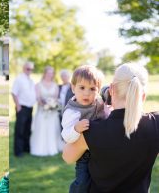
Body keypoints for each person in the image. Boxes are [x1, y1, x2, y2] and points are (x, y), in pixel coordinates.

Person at [62, 62, 159, 193]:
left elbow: (67, 157)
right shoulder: (155, 124)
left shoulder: (91, 130)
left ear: (112, 90)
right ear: (143, 96)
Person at [61, 65, 108, 193]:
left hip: (99, 151)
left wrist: (108, 111)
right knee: (82, 183)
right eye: (82, 88)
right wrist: (76, 129)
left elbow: (106, 117)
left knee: (100, 182)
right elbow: (66, 136)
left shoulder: (98, 102)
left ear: (98, 91)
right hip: (83, 156)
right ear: (73, 88)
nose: (86, 93)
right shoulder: (72, 111)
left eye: (92, 89)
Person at [30, 66, 64, 156]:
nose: (50, 74)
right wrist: (44, 105)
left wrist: (52, 105)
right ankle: (40, 149)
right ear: (44, 73)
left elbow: (56, 98)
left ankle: (53, 147)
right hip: (42, 111)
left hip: (52, 112)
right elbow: (38, 98)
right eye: (48, 73)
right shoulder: (38, 85)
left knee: (52, 129)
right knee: (41, 129)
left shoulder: (55, 85)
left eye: (52, 73)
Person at [11, 61, 36, 157]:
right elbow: (14, 93)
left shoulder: (31, 80)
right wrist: (18, 106)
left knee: (27, 129)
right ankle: (18, 151)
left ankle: (26, 149)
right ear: (24, 68)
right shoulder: (19, 79)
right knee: (20, 130)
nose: (30, 71)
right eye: (28, 68)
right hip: (22, 107)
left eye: (31, 69)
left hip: (30, 107)